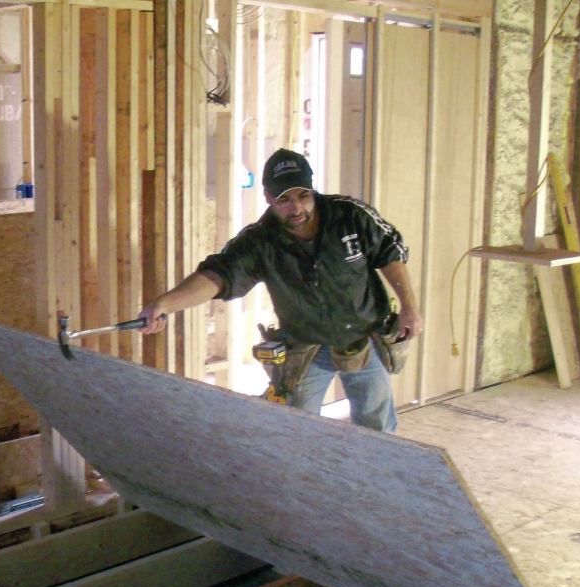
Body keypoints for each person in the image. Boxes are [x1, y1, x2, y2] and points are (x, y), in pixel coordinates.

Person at [138, 148, 422, 433]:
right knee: (295, 431)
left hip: (364, 336)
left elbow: (390, 251)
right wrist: (165, 304)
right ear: (269, 198)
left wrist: (409, 307)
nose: (296, 208)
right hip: (306, 346)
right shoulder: (260, 241)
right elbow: (218, 276)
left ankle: (372, 477)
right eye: (284, 200)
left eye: (303, 196)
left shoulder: (350, 216)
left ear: (312, 190)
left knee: (378, 427)